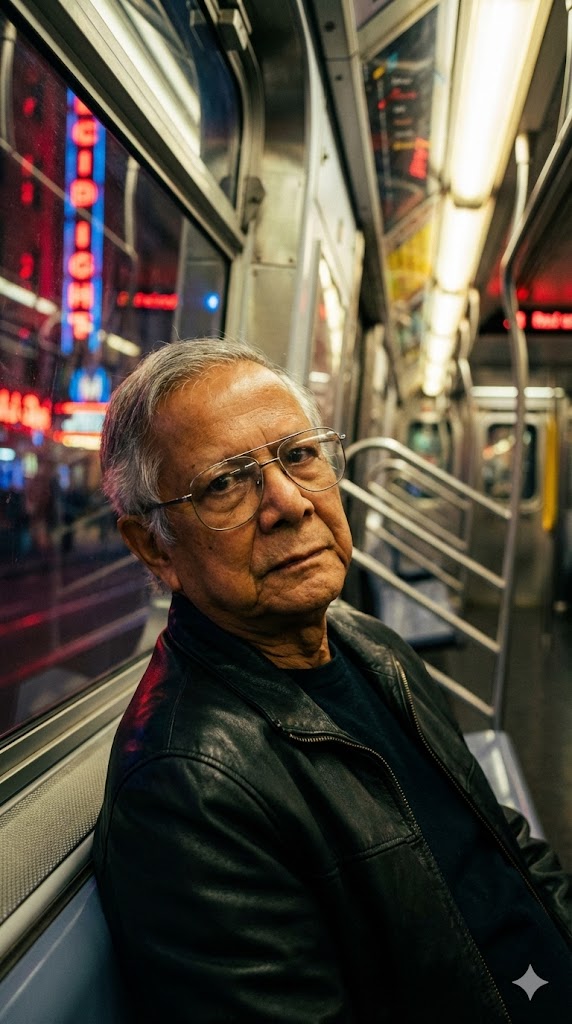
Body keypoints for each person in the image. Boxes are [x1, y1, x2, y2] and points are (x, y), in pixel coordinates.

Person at [93, 337, 572, 1023]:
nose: (288, 502)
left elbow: (505, 843)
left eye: (298, 455)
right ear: (151, 546)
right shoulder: (189, 790)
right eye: (225, 483)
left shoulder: (369, 645)